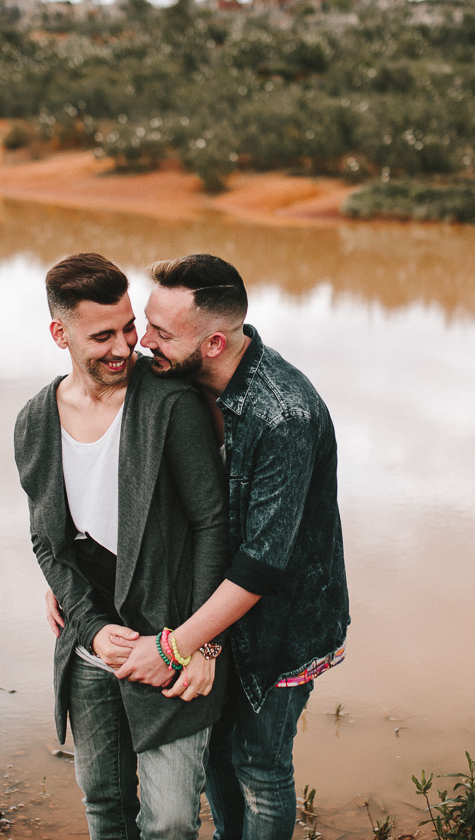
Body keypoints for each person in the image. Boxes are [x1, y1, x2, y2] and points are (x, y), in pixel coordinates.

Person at [123, 252, 351, 840]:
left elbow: (261, 565)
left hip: (284, 624)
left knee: (260, 764)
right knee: (217, 754)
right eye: (149, 323)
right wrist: (64, 575)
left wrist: (177, 646)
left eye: (161, 332)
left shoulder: (285, 415)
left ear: (216, 344)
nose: (143, 342)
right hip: (211, 610)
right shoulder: (178, 379)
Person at [14, 252, 230, 840]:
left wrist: (198, 643)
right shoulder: (35, 420)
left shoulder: (170, 405)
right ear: (60, 334)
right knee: (105, 805)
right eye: (102, 335)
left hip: (169, 644)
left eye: (129, 327)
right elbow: (46, 539)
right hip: (90, 648)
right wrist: (86, 625)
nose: (123, 347)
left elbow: (213, 524)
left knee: (171, 821)